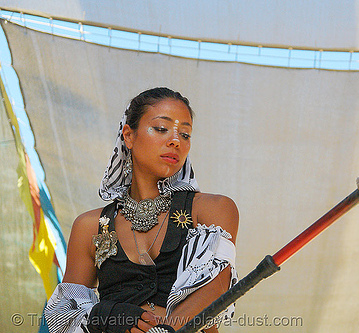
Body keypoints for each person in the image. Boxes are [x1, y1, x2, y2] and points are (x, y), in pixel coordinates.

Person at [44, 87, 239, 333]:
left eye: (185, 134)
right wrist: (106, 314)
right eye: (161, 129)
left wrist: (165, 330)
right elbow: (63, 317)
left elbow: (215, 287)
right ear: (129, 135)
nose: (175, 141)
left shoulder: (213, 210)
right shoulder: (90, 226)